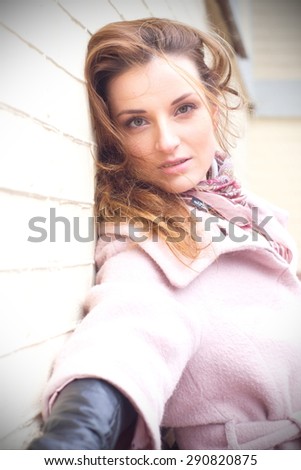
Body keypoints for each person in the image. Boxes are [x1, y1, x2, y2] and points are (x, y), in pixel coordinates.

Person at [28, 17, 301, 450]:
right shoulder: (146, 249)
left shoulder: (241, 208)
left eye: (183, 108)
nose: (168, 141)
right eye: (137, 121)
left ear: (212, 107)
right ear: (115, 138)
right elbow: (126, 335)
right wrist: (71, 439)